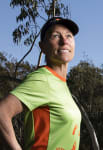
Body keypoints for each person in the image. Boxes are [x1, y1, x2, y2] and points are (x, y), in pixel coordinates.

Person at [0, 17, 82, 150]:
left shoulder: (61, 85)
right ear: (42, 46)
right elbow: (2, 112)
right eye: (56, 36)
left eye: (69, 35)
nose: (64, 40)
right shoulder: (43, 79)